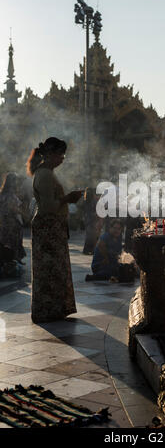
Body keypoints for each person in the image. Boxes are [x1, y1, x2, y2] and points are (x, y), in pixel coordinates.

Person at [27, 137, 83, 323]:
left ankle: (55, 309)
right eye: (61, 154)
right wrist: (68, 199)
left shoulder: (48, 173)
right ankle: (47, 311)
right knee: (49, 270)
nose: (62, 159)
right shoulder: (44, 175)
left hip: (52, 227)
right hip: (47, 228)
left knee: (55, 269)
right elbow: (48, 206)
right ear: (50, 155)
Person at [0, 172, 26, 262]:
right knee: (13, 241)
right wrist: (23, 214)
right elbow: (14, 209)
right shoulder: (11, 195)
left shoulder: (2, 194)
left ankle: (8, 259)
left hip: (3, 222)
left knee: (5, 241)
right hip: (12, 222)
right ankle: (14, 258)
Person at [82, 187, 103, 255]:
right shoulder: (92, 200)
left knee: (91, 235)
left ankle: (89, 250)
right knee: (93, 235)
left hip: (91, 219)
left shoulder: (87, 199)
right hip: (93, 219)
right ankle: (91, 250)